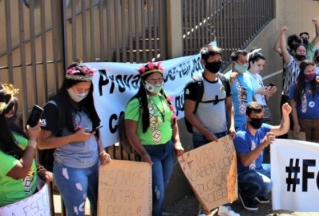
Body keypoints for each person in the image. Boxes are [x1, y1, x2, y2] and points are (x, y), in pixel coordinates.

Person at [38, 64, 110, 216]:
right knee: (77, 212)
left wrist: (102, 151)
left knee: (103, 208)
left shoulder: (87, 103)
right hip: (70, 168)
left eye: (86, 90)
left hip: (94, 164)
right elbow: (42, 143)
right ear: (68, 87)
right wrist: (74, 138)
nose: (83, 93)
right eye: (79, 90)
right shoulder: (54, 107)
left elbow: (95, 131)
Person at [183, 46, 239, 216]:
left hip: (223, 134)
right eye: (212, 60)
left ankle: (224, 207)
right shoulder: (194, 83)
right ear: (203, 61)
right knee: (204, 175)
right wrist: (206, 132)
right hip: (202, 136)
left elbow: (229, 105)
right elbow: (189, 113)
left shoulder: (223, 80)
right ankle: (204, 209)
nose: (217, 63)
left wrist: (231, 125)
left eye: (218, 60)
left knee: (225, 171)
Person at [124, 62, 184, 216]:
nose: (157, 83)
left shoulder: (165, 98)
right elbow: (130, 132)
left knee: (162, 188)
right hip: (150, 152)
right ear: (144, 82)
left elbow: (173, 123)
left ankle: (158, 213)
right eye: (153, 80)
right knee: (156, 192)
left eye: (159, 79)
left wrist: (177, 142)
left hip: (167, 149)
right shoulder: (135, 103)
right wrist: (143, 153)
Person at [0, 84, 53, 207]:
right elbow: (21, 171)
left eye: (14, 112)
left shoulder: (10, 130)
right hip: (12, 206)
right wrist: (33, 139)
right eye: (9, 113)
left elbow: (24, 155)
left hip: (33, 200)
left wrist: (40, 170)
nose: (13, 116)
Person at [235, 102, 291, 211]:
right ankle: (246, 194)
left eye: (261, 116)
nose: (259, 119)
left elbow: (282, 130)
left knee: (282, 170)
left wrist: (285, 114)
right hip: (244, 173)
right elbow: (245, 162)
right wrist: (263, 145)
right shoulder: (241, 136)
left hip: (258, 168)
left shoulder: (262, 128)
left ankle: (258, 191)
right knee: (268, 185)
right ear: (248, 117)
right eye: (256, 117)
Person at [289, 49, 319, 143]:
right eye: (308, 71)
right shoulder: (296, 86)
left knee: (317, 145)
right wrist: (296, 124)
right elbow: (293, 107)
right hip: (304, 121)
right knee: (306, 147)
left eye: (313, 70)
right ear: (302, 72)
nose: (311, 73)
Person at [247, 51, 277, 121]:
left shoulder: (259, 77)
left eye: (263, 65)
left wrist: (269, 92)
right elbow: (244, 94)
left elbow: (264, 98)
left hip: (261, 110)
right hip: (253, 112)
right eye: (259, 65)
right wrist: (257, 91)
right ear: (251, 63)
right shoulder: (246, 76)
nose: (261, 68)